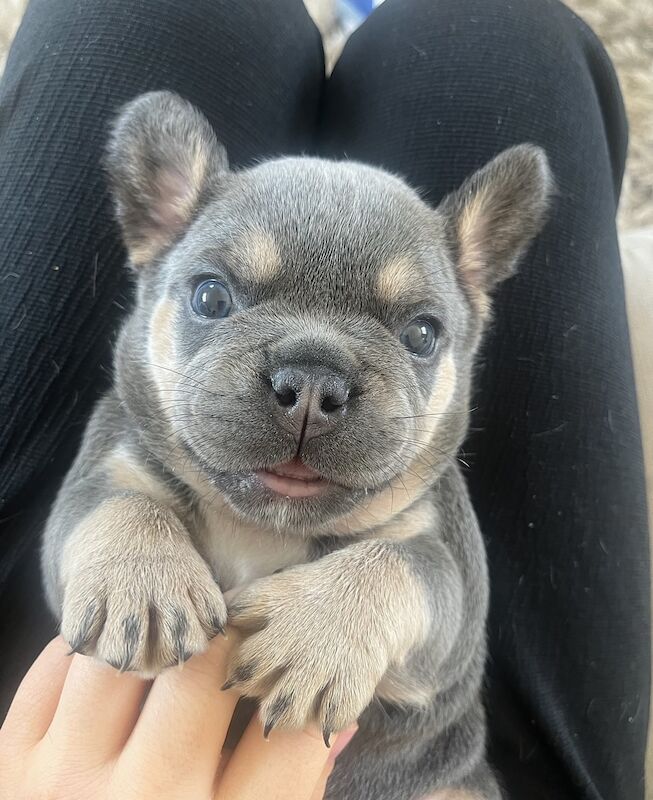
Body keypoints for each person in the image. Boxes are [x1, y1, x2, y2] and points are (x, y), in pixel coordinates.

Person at [0, 0, 648, 798]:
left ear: (472, 295)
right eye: (214, 298)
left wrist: (369, 596)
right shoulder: (135, 445)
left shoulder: (409, 499)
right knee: (507, 34)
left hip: (407, 775)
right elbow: (88, 536)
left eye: (415, 333)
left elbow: (435, 617)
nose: (308, 396)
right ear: (155, 237)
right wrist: (124, 541)